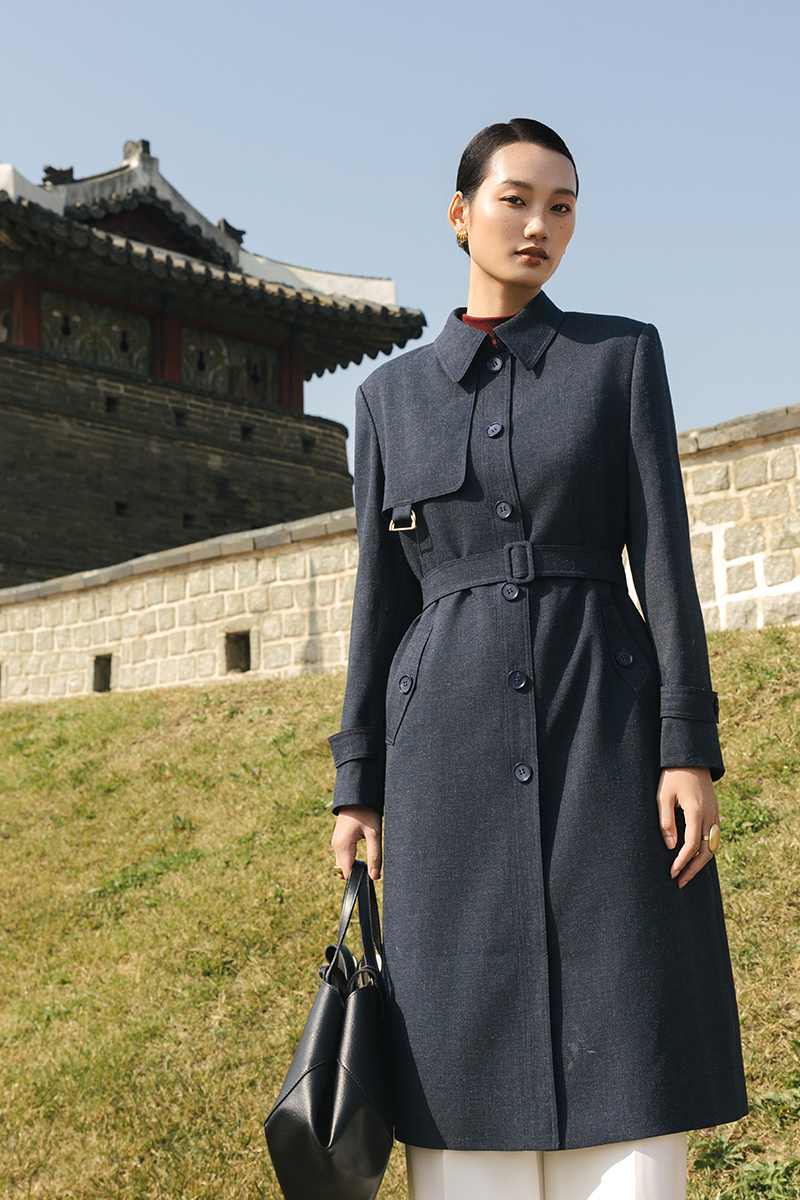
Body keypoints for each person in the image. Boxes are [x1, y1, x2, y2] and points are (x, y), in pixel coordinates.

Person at [328, 119, 748, 1200]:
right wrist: (356, 785)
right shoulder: (387, 400)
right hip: (442, 755)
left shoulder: (620, 360)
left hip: (607, 731)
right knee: (452, 1039)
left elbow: (664, 562)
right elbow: (378, 606)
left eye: (561, 206)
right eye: (515, 199)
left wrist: (685, 748)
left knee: (635, 1013)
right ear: (459, 214)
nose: (538, 225)